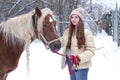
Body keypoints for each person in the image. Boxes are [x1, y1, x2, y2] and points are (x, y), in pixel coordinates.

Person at [60, 7, 96, 80]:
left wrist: (79, 58)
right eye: (72, 17)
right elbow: (62, 41)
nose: (73, 19)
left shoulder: (86, 32)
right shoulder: (68, 32)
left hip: (81, 64)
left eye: (76, 17)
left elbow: (91, 51)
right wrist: (53, 43)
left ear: (81, 19)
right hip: (70, 62)